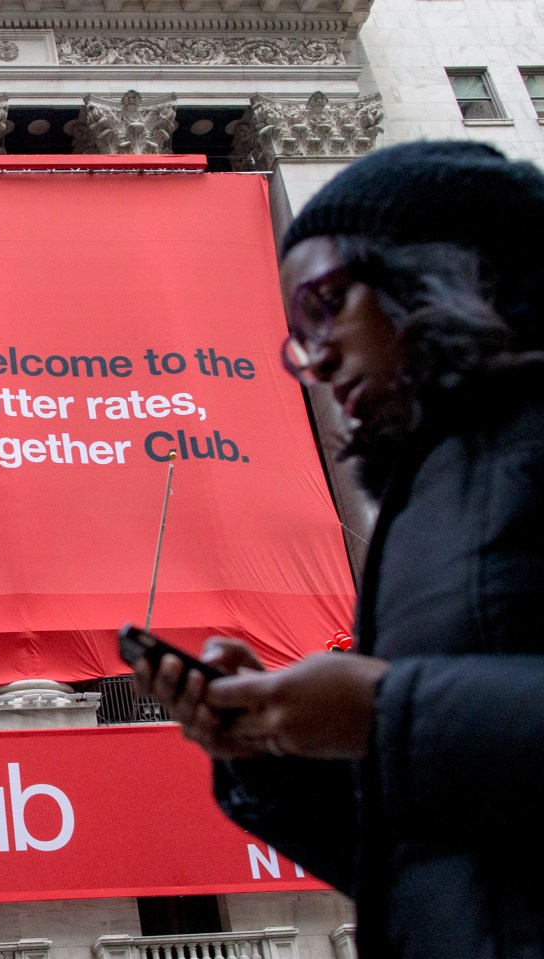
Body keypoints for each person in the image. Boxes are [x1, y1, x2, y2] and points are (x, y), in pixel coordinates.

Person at [134, 141, 544, 958]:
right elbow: (429, 856)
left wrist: (384, 712)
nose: (313, 358)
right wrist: (273, 752)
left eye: (325, 306)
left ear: (442, 269)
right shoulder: (426, 496)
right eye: (296, 334)